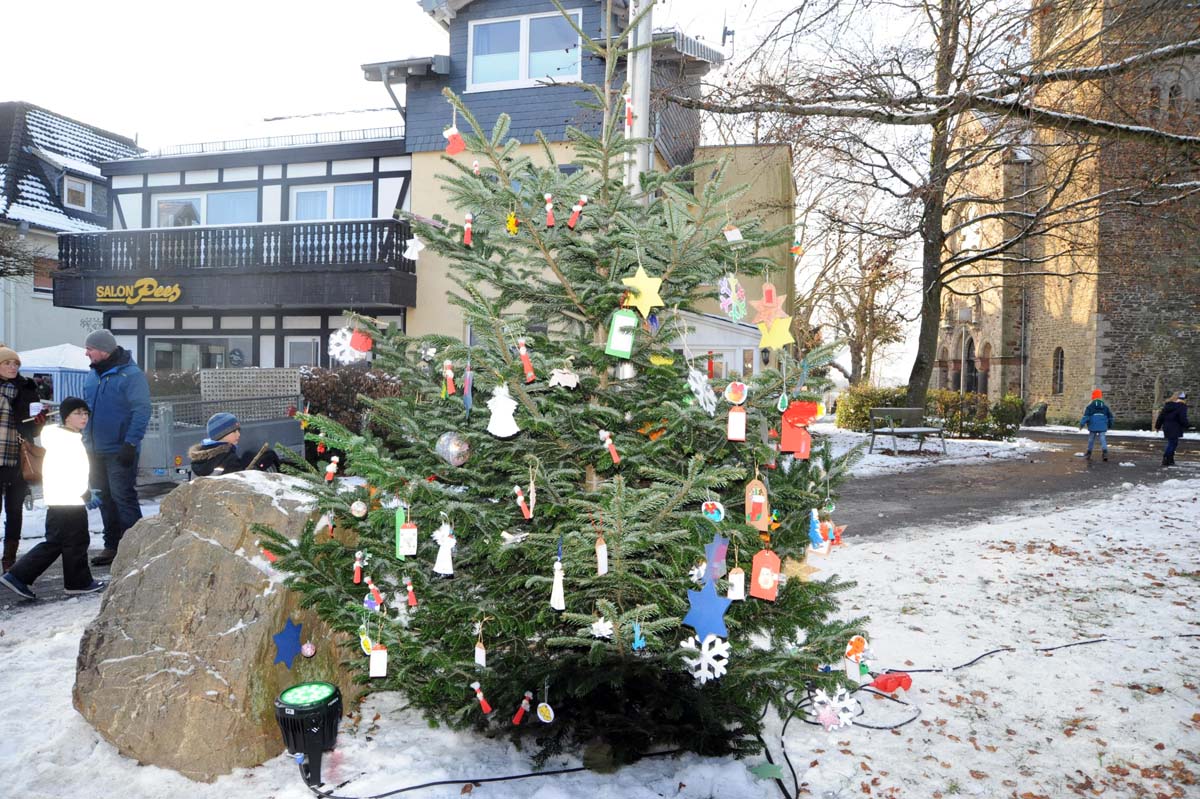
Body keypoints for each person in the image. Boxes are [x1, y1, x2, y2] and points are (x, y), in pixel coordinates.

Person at [0, 397, 105, 599]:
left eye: (85, 413)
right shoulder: (66, 442)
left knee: (61, 542)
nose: (83, 417)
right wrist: (84, 493)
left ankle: (23, 576)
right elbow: (66, 472)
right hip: (68, 499)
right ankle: (21, 576)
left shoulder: (64, 438)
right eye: (77, 413)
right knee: (71, 542)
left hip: (63, 499)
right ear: (66, 417)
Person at [82, 330, 151, 567]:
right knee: (104, 499)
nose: (86, 353)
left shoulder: (131, 375)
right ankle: (112, 546)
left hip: (120, 450)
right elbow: (87, 409)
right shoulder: (92, 375)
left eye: (90, 348)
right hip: (94, 449)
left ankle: (138, 548)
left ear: (103, 349)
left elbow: (142, 411)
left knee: (123, 497)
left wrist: (131, 443)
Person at [0, 345, 46, 571]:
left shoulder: (27, 389)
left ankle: (9, 561)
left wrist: (40, 420)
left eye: (15, 364)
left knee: (14, 510)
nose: (12, 367)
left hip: (19, 457)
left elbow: (34, 431)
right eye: (7, 363)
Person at [187, 412, 281, 477]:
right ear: (222, 435)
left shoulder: (198, 458)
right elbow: (238, 485)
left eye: (238, 430)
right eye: (234, 431)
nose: (238, 434)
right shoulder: (227, 458)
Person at [1154, 391, 1189, 467]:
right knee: (1172, 443)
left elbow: (1161, 416)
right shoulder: (1182, 406)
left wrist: (1157, 426)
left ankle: (1169, 458)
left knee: (1172, 442)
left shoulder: (1168, 405)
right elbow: (1182, 418)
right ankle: (1167, 458)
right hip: (1175, 426)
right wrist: (1187, 425)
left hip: (1167, 426)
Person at [1079, 388, 1113, 462]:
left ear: (1093, 397)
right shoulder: (1105, 407)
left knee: (1091, 439)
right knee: (1102, 439)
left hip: (1093, 425)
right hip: (1102, 425)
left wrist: (1082, 424)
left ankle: (1089, 453)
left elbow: (1086, 416)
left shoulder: (1090, 407)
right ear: (1100, 397)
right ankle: (1105, 453)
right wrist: (1110, 425)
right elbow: (1110, 417)